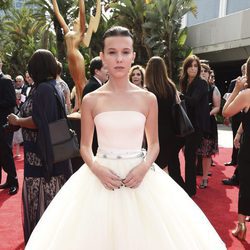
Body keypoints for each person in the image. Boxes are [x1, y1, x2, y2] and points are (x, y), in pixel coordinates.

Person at [25, 26, 225, 250]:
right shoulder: (91, 100)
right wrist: (97, 168)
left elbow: (154, 144)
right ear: (102, 56)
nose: (119, 58)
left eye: (125, 52)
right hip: (100, 175)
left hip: (140, 175)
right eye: (112, 52)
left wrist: (144, 167)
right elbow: (84, 147)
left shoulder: (147, 99)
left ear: (133, 56)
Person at [7, 49, 72, 244]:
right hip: (46, 155)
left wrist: (18, 120)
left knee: (42, 204)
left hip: (41, 159)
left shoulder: (44, 89)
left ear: (36, 68)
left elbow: (39, 121)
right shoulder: (52, 86)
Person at [145, 56, 185, 190]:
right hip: (171, 132)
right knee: (169, 165)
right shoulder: (171, 87)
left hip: (153, 133)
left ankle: (159, 193)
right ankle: (171, 191)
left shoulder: (147, 90)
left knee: (155, 165)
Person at [222, 57, 250, 241]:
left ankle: (241, 226)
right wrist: (239, 132)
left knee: (246, 183)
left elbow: (226, 111)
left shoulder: (246, 94)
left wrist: (237, 90)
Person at [179, 55, 211, 196]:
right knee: (183, 155)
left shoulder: (201, 83)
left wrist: (178, 95)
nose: (193, 68)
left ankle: (190, 189)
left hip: (196, 127)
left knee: (190, 157)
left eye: (195, 66)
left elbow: (193, 101)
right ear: (186, 68)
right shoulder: (185, 82)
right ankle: (183, 184)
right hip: (184, 126)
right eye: (190, 66)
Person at [52, 0, 86, 108]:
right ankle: (79, 105)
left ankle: (84, 105)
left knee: (81, 82)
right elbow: (58, 14)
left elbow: (82, 12)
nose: (75, 21)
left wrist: (81, 1)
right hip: (70, 59)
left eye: (77, 20)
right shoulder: (68, 32)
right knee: (76, 82)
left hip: (77, 57)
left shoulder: (80, 33)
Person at [197, 63, 220, 188]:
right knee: (193, 152)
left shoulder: (213, 89)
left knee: (206, 153)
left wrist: (208, 114)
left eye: (206, 71)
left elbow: (217, 107)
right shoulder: (193, 86)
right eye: (201, 71)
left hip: (208, 124)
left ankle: (205, 178)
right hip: (195, 124)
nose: (203, 73)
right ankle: (192, 177)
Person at [82, 56, 108, 155]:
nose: (108, 71)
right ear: (97, 71)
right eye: (105, 68)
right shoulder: (94, 86)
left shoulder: (95, 85)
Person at [0, 57, 19, 195]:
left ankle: (14, 181)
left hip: (5, 123)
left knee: (6, 151)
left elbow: (12, 101)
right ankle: (7, 180)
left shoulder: (6, 80)